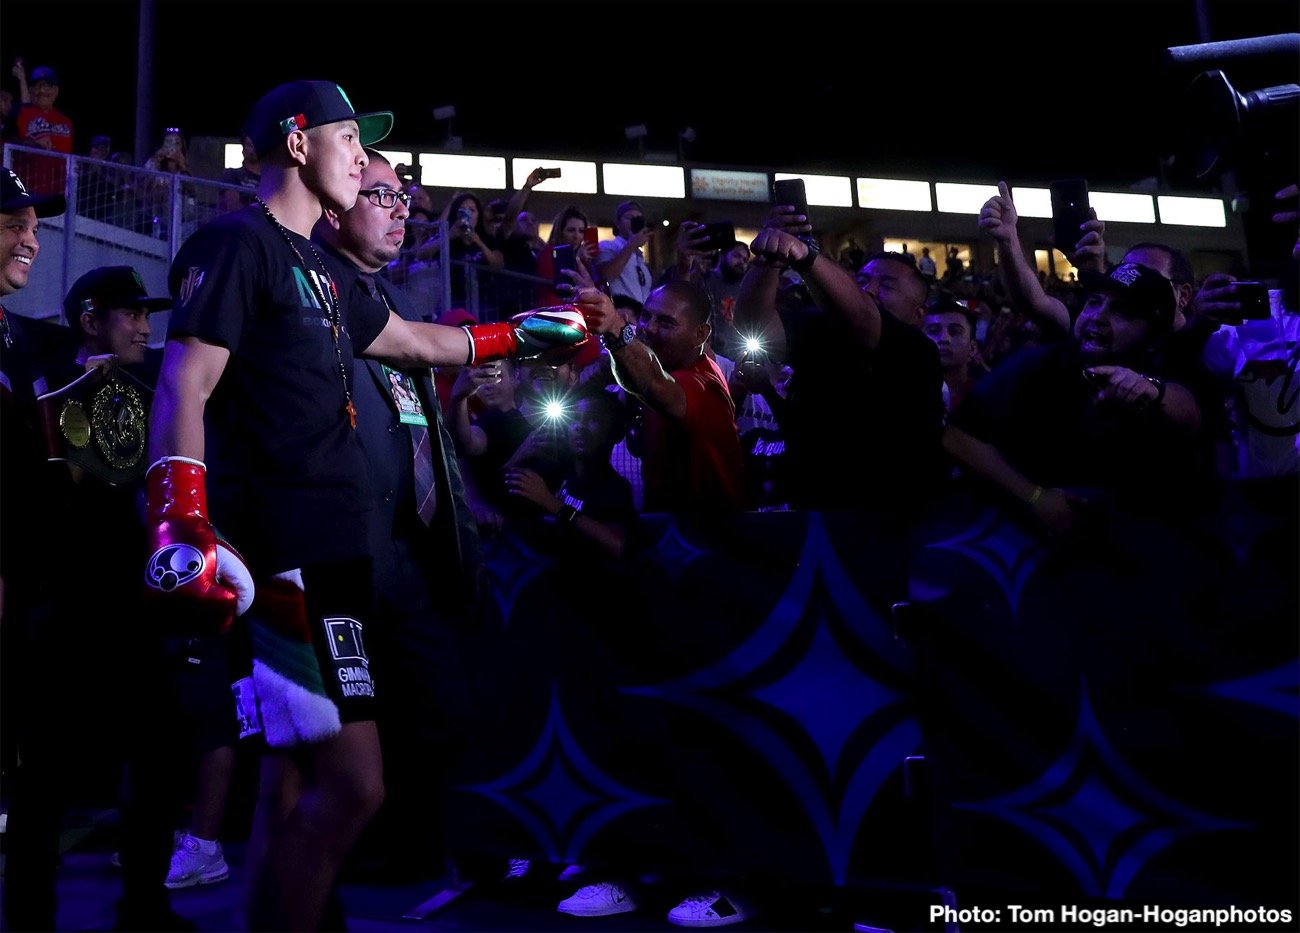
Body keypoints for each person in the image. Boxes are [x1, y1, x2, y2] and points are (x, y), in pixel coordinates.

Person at [142, 79, 587, 930]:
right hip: (287, 556)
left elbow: (419, 343)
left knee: (298, 775)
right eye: (352, 141)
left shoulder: (321, 266)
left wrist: (526, 330)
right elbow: (183, 381)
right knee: (356, 782)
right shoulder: (239, 245)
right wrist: (180, 515)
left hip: (334, 555)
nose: (366, 159)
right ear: (300, 142)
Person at [313, 149, 487, 879]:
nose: (400, 209)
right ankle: (343, 868)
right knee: (328, 758)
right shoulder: (306, 303)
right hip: (334, 568)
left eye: (402, 197)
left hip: (412, 564)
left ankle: (401, 852)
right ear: (333, 204)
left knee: (443, 711)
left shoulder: (398, 322)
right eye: (380, 194)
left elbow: (431, 446)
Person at [576, 279, 745, 513]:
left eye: (665, 322)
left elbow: (653, 383)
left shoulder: (702, 384)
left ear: (700, 334)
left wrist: (615, 328)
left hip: (707, 540)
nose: (648, 328)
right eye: (646, 316)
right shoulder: (675, 364)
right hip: (672, 534)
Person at [8, 60, 73, 196]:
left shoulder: (66, 122)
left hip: (57, 196)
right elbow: (5, 142)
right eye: (38, 86)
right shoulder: (19, 112)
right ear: (31, 90)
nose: (42, 90)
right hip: (24, 193)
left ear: (56, 90)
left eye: (47, 85)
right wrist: (30, 144)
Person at [596, 200, 655, 311]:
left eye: (638, 219)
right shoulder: (608, 246)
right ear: (617, 223)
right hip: (619, 315)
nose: (634, 222)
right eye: (629, 218)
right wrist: (632, 244)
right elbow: (606, 276)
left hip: (639, 319)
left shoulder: (640, 257)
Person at [218, 133, 262, 212]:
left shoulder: (271, 178)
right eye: (249, 145)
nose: (254, 148)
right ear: (243, 149)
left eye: (257, 144)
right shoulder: (232, 173)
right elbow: (233, 206)